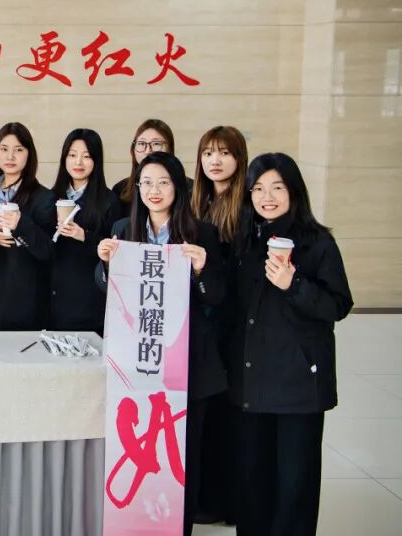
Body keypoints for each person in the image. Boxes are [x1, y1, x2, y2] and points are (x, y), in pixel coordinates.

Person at [98, 152, 226, 536]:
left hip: (186, 366)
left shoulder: (202, 233)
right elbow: (105, 289)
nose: (154, 190)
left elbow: (218, 297)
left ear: (178, 188)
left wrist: (201, 270)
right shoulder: (123, 229)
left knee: (182, 457)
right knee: (138, 449)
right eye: (147, 182)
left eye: (164, 182)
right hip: (136, 367)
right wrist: (105, 265)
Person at [229, 153, 352, 536]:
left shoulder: (318, 244)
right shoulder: (244, 241)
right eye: (258, 189)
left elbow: (338, 305)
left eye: (277, 188)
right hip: (252, 382)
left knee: (295, 486)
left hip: (299, 384)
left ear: (294, 191)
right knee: (253, 482)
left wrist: (294, 283)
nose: (267, 197)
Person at [190, 125, 249, 526]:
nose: (216, 160)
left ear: (239, 159)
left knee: (228, 416)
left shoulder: (245, 207)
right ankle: (206, 498)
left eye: (225, 153)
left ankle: (227, 502)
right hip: (202, 322)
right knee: (205, 418)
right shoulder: (197, 202)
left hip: (231, 322)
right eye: (209, 153)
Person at [0, 122, 55, 330]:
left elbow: (48, 251)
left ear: (29, 154)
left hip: (22, 303)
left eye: (18, 150)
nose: (10, 156)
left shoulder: (44, 198)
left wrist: (21, 224)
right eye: (4, 149)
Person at [49, 128, 119, 335]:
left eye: (86, 156)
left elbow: (116, 251)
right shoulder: (50, 197)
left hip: (89, 300)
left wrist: (84, 236)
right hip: (53, 298)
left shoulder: (109, 201)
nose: (78, 162)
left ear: (96, 160)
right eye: (72, 155)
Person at [112, 118, 182, 220]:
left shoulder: (189, 188)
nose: (148, 150)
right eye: (141, 143)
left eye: (156, 144)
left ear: (170, 148)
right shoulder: (121, 189)